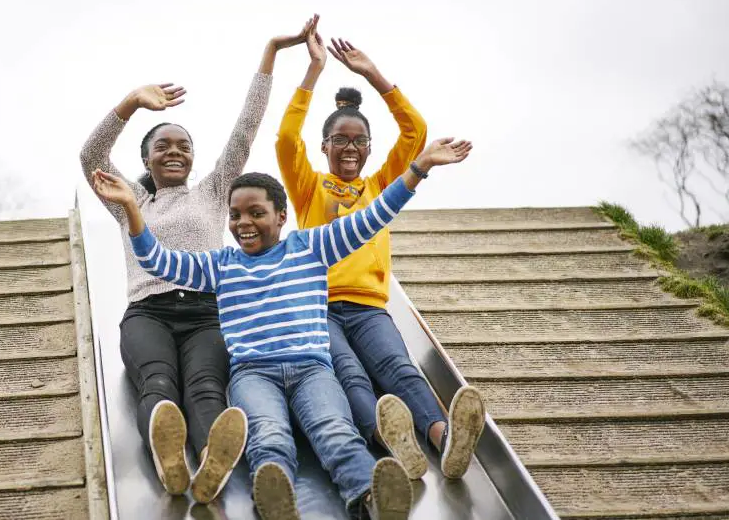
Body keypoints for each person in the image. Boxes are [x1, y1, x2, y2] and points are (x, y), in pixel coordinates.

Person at [90, 134, 472, 520]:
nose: (244, 223)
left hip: (312, 370)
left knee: (335, 432)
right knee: (268, 438)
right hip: (253, 375)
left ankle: (372, 498)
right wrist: (132, 212)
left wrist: (418, 168)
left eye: (256, 213)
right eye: (235, 216)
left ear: (281, 217)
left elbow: (373, 217)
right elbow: (160, 262)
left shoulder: (310, 247)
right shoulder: (221, 264)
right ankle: (276, 502)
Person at [79, 17, 317, 503]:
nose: (173, 152)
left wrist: (271, 51)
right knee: (160, 383)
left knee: (207, 388)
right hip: (149, 311)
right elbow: (91, 156)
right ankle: (170, 463)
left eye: (183, 147)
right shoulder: (131, 202)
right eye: (162, 146)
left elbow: (247, 128)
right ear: (146, 160)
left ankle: (212, 461)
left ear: (193, 158)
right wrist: (129, 103)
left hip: (210, 310)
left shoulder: (214, 191)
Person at [275, 21, 485, 480]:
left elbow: (416, 132)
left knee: (399, 368)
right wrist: (313, 71)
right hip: (318, 306)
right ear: (325, 146)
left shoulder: (379, 186)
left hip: (369, 307)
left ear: (369, 148)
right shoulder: (309, 187)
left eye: (359, 141)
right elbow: (286, 139)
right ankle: (391, 443)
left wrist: (376, 76)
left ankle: (443, 440)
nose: (350, 148)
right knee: (348, 374)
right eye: (341, 141)